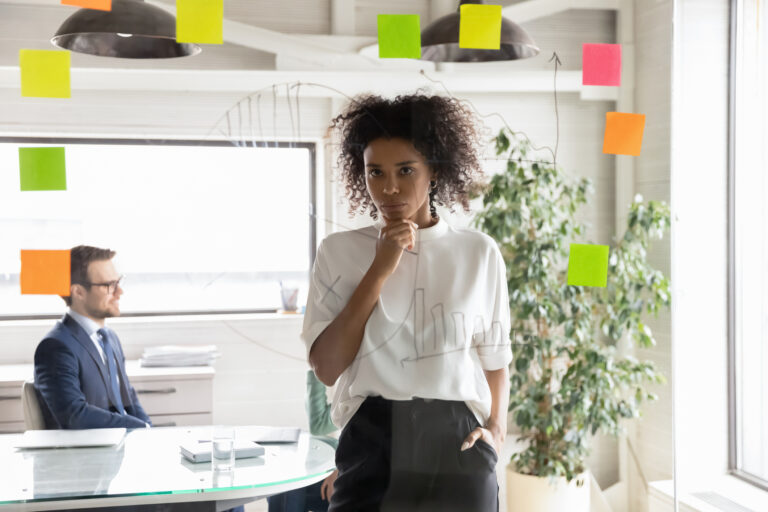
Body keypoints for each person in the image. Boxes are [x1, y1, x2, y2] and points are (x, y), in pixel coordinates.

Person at [302, 94, 512, 511]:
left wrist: (496, 434)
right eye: (375, 172)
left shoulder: (478, 252)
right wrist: (380, 267)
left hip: (458, 442)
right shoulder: (337, 251)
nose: (389, 187)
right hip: (372, 437)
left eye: (405, 170)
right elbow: (326, 367)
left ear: (434, 171)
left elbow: (495, 361)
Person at [34, 245, 151, 429]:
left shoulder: (109, 338)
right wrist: (138, 427)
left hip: (118, 445)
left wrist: (148, 429)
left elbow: (128, 398)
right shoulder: (56, 346)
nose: (119, 292)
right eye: (109, 285)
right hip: (86, 454)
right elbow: (75, 415)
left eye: (118, 282)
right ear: (78, 292)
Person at [267, 370, 339, 512]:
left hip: (342, 465)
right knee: (283, 483)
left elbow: (318, 425)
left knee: (286, 487)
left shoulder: (356, 379)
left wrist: (316, 369)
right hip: (328, 459)